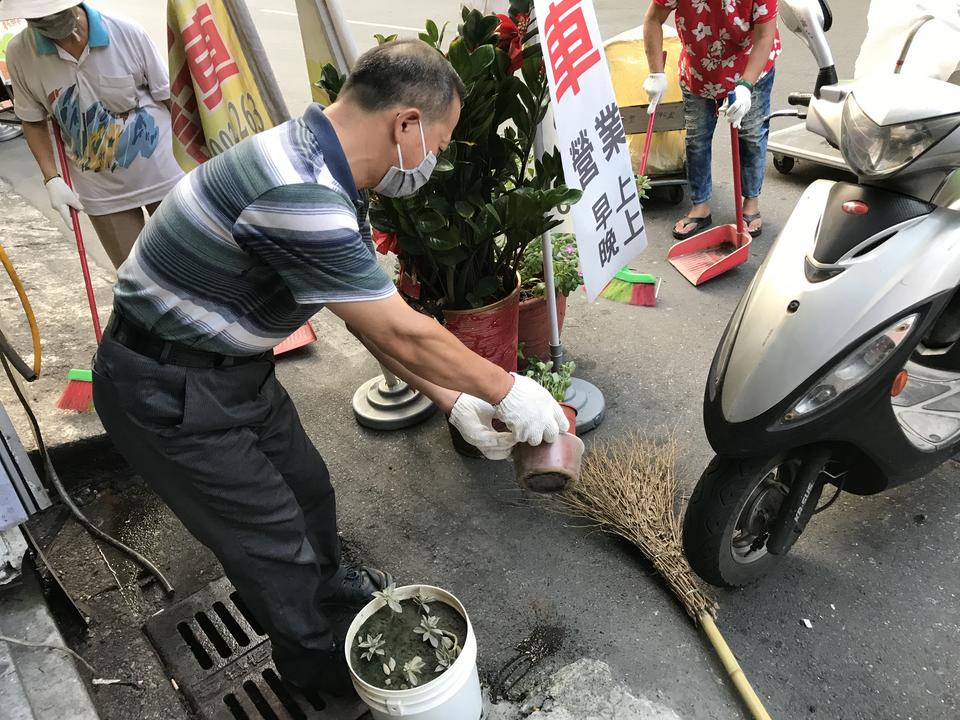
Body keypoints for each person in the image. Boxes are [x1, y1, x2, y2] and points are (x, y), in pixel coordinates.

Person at [91, 39, 568, 695]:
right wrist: (509, 390)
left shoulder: (319, 157)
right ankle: (329, 681)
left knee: (308, 490)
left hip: (229, 368)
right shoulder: (301, 190)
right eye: (441, 137)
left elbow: (362, 312)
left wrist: (453, 403)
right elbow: (403, 327)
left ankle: (328, 603)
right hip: (166, 388)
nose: (438, 156)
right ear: (405, 123)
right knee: (271, 544)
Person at [1, 0, 183, 267]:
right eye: (38, 17)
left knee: (190, 268)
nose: (49, 21)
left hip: (163, 174)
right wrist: (52, 179)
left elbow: (170, 99)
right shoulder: (21, 53)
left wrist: (199, 156)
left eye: (55, 12)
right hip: (102, 192)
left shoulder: (125, 31)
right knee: (136, 280)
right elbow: (33, 121)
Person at [643, 0, 780, 239]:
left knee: (751, 135)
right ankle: (700, 206)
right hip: (698, 71)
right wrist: (656, 73)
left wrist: (746, 85)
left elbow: (764, 36)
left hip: (750, 67)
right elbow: (654, 19)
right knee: (697, 138)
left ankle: (751, 203)